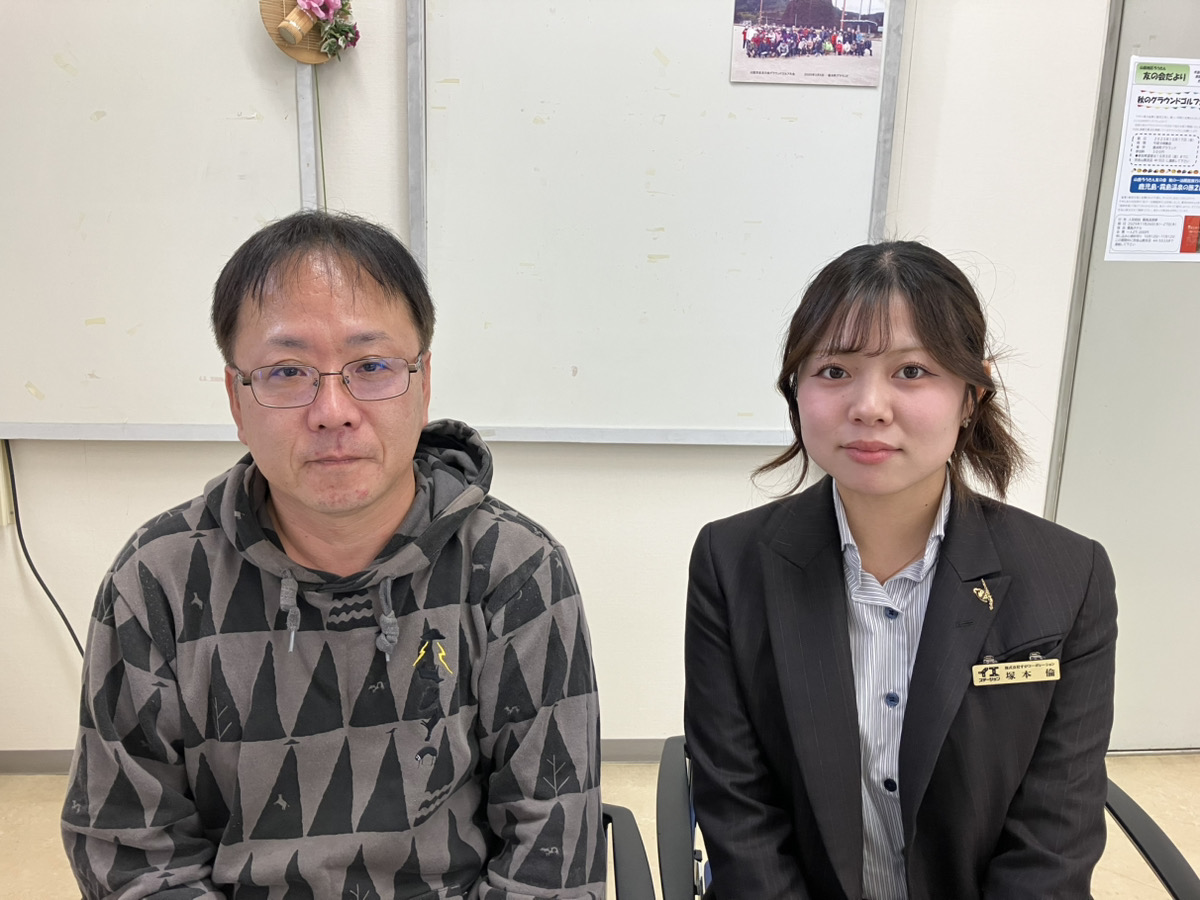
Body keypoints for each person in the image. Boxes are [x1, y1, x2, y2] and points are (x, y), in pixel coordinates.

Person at [62, 210, 604, 898]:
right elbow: (132, 855)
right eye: (287, 371)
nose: (333, 410)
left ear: (423, 383)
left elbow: (551, 852)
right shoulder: (158, 580)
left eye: (371, 366)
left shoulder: (514, 571)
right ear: (237, 399)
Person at [684, 241, 1117, 900]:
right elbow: (740, 815)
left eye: (911, 371)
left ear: (972, 394)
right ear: (796, 389)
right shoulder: (730, 561)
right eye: (834, 370)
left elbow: (1054, 833)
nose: (869, 406)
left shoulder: (1067, 575)